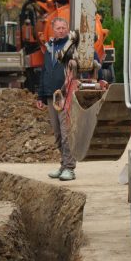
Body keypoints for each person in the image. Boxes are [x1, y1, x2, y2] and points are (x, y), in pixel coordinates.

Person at [35, 17, 76, 181]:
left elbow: (88, 61)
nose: (61, 30)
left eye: (63, 27)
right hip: (51, 95)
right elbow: (44, 71)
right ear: (53, 30)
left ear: (67, 28)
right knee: (58, 134)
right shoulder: (49, 48)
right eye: (58, 28)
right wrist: (41, 96)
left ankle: (70, 168)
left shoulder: (72, 47)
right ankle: (63, 164)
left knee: (66, 133)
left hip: (65, 95)